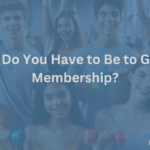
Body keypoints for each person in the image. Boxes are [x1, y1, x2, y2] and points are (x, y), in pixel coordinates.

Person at [67, 0, 140, 128]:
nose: (109, 19)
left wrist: (124, 83)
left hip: (122, 130)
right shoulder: (80, 57)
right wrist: (77, 91)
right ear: (96, 19)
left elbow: (139, 102)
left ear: (121, 19)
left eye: (114, 14)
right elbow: (69, 101)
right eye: (104, 14)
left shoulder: (134, 58)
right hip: (88, 130)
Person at [0, 0, 48, 129]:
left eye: (17, 18)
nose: (12, 23)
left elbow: (44, 98)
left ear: (25, 20)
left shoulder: (36, 59)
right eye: (7, 19)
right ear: (1, 22)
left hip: (25, 130)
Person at [24, 71, 90, 150]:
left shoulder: (84, 134)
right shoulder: (30, 131)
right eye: (49, 98)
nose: (57, 103)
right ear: (42, 101)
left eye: (62, 95)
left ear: (71, 97)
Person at [95, 57, 150, 150]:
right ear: (130, 76)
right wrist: (98, 147)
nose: (147, 84)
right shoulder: (104, 116)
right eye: (142, 76)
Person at [42, 0, 85, 72]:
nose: (63, 29)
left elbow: (91, 81)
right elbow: (46, 6)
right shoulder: (52, 45)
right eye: (59, 26)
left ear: (76, 27)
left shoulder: (81, 53)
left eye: (67, 25)